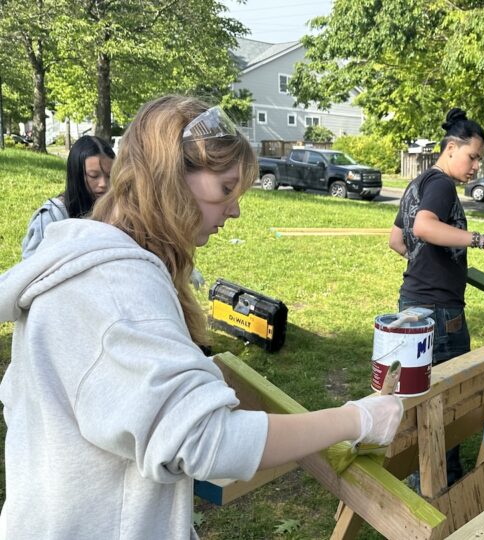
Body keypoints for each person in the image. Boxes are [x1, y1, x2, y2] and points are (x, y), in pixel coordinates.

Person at [0, 95, 403, 539]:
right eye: (225, 189)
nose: (234, 209)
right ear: (169, 180)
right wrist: (357, 419)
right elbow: (208, 442)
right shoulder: (118, 289)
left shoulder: (93, 269)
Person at [389, 108, 484, 485]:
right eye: (473, 156)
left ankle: (416, 481)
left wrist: (430, 263)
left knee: (417, 398)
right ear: (451, 148)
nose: (476, 166)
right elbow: (424, 227)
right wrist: (481, 240)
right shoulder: (441, 184)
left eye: (480, 159)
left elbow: (398, 240)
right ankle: (444, 488)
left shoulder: (416, 184)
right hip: (441, 313)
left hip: (411, 304)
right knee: (448, 403)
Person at [21, 134, 115, 259]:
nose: (103, 184)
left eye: (109, 175)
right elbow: (30, 268)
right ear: (76, 175)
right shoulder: (52, 217)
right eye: (93, 176)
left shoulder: (118, 208)